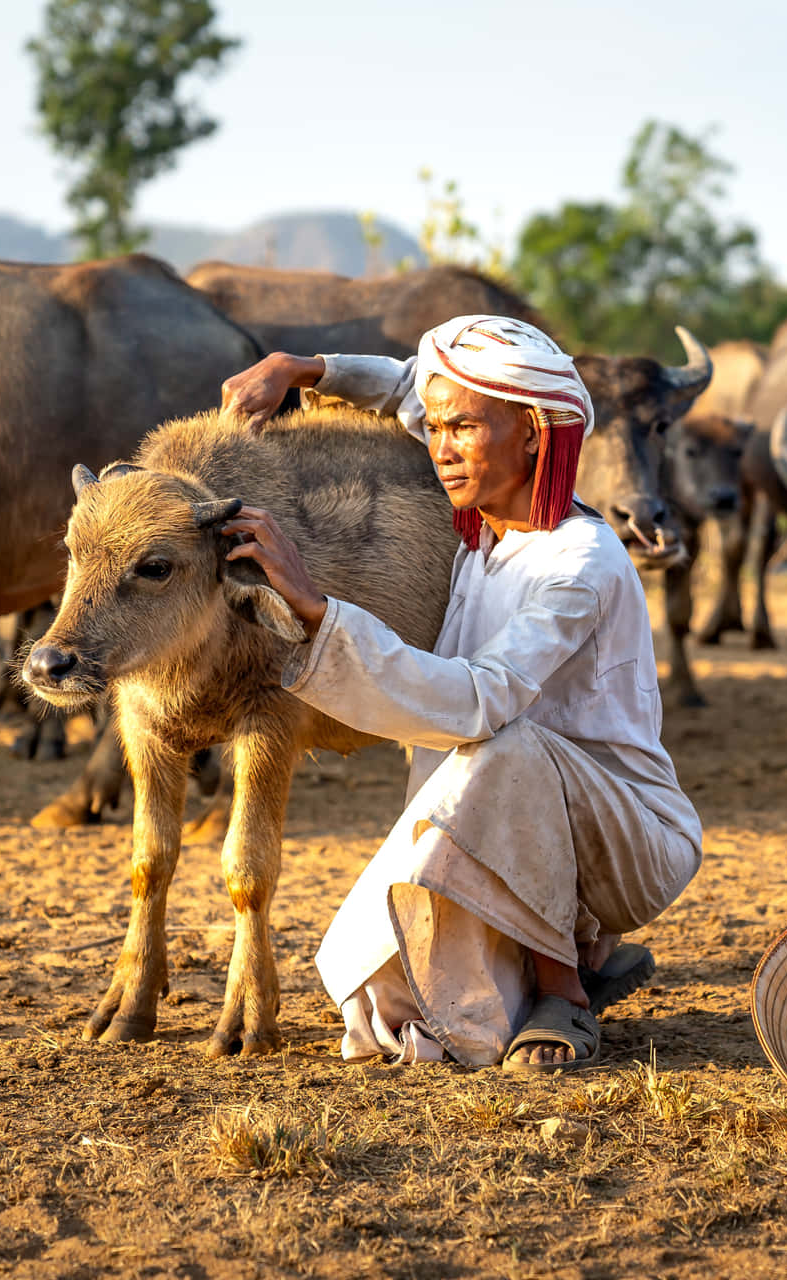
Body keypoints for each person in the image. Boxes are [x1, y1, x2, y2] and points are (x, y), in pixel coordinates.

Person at [214, 315, 702, 1071]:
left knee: (506, 744)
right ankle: (582, 946)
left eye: (464, 427)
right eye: (434, 427)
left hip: (629, 837)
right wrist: (303, 368)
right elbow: (414, 386)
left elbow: (480, 699)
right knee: (385, 1000)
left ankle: (566, 991)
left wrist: (315, 608)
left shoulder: (579, 564)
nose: (440, 446)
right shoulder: (490, 533)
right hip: (519, 818)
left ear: (535, 433)